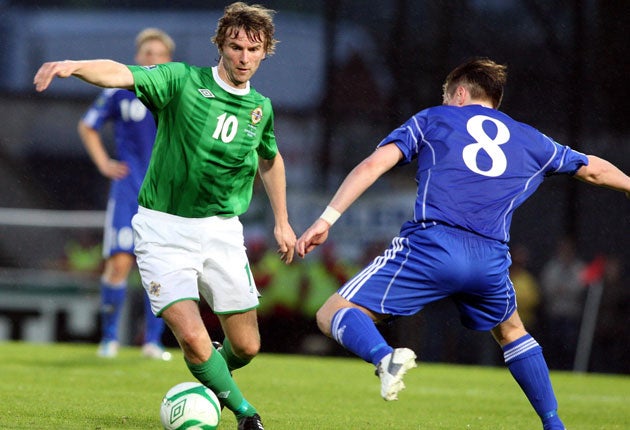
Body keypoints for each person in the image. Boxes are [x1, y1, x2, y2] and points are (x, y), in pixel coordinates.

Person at [296, 58, 630, 430]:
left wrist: (326, 220)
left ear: (458, 93)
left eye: (446, 94)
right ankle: (553, 423)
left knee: (332, 312)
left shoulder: (434, 118)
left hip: (433, 245)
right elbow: (594, 170)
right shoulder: (532, 139)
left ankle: (383, 357)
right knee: (512, 332)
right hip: (489, 259)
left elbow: (373, 165)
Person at [34, 3, 296, 429]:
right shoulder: (181, 80)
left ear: (265, 51)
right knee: (193, 337)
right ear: (221, 46)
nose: (244, 57)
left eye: (253, 49)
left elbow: (271, 158)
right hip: (163, 229)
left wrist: (283, 220)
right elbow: (121, 73)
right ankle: (246, 415)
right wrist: (74, 66)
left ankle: (205, 383)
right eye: (235, 47)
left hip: (222, 231)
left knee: (246, 346)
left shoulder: (260, 109)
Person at [77, 28, 175, 360]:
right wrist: (104, 162)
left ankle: (152, 341)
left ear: (168, 60)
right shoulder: (119, 91)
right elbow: (87, 125)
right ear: (137, 58)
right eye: (147, 53)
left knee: (159, 270)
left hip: (165, 193)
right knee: (120, 263)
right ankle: (109, 339)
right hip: (128, 189)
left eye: (159, 54)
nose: (152, 59)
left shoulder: (175, 93)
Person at [539, 236, 585, 369]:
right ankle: (553, 368)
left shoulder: (579, 268)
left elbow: (580, 288)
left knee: (570, 346)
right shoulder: (552, 267)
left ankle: (569, 369)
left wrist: (564, 290)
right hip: (555, 313)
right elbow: (547, 287)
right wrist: (563, 290)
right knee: (554, 345)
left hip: (571, 314)